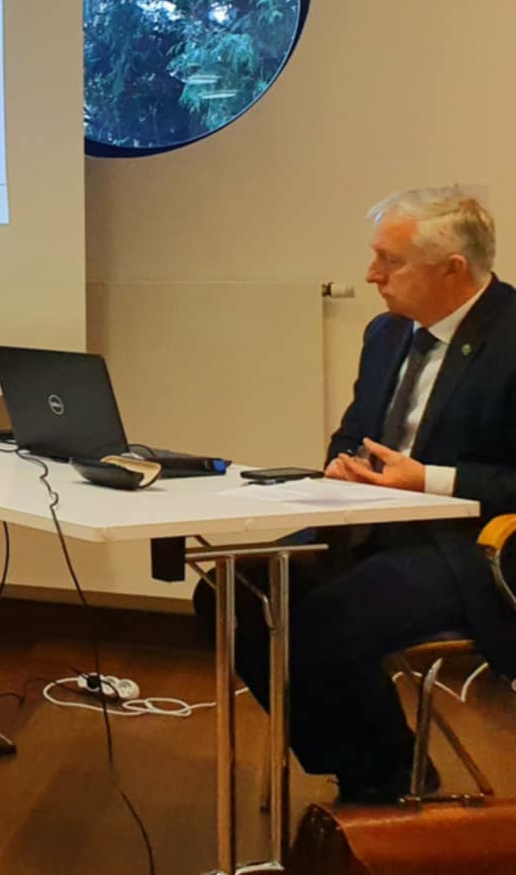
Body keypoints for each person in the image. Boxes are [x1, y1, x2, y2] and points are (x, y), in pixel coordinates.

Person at [201, 187, 516, 803]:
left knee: (324, 625)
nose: (372, 274)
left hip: (471, 546)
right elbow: (353, 434)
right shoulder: (387, 334)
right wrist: (342, 466)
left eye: (390, 261)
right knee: (229, 592)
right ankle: (368, 763)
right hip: (372, 525)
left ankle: (382, 783)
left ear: (453, 269)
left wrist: (428, 479)